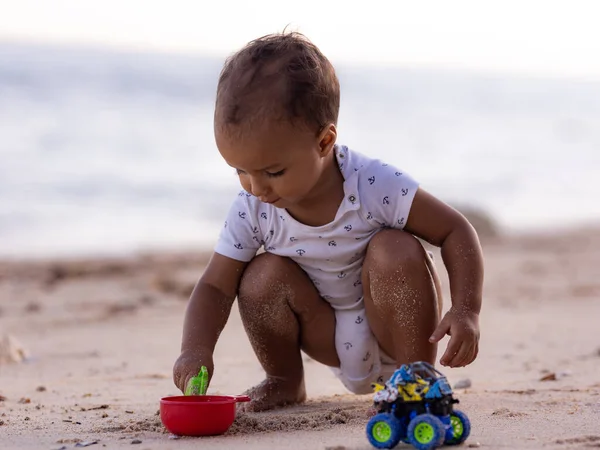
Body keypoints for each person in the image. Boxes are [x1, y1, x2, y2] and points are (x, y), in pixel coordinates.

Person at [173, 31, 483, 412]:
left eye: (273, 171)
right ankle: (285, 380)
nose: (256, 187)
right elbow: (216, 286)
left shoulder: (373, 184)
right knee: (259, 275)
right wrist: (195, 349)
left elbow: (456, 230)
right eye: (240, 171)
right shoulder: (252, 207)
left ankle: (415, 379)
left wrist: (466, 309)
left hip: (393, 327)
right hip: (327, 334)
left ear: (324, 142)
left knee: (394, 247)